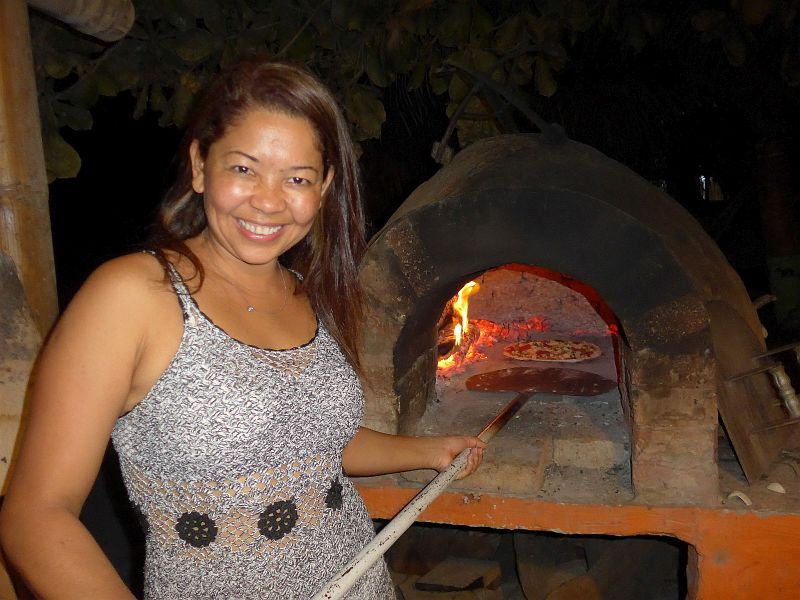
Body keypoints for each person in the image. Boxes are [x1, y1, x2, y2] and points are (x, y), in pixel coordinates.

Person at [0, 58, 485, 599]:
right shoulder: (133, 296)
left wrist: (427, 451)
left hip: (362, 581)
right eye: (244, 169)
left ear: (324, 188)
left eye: (297, 178)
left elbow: (317, 444)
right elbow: (36, 516)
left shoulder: (305, 292)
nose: (269, 201)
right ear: (200, 166)